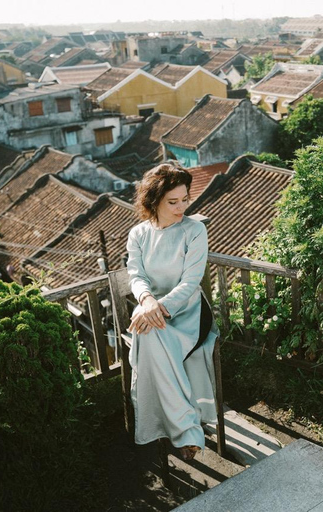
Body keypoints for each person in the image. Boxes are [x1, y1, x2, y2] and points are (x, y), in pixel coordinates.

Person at [125, 163, 218, 461]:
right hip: (153, 309)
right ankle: (186, 431)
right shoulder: (138, 234)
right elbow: (135, 274)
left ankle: (170, 429)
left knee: (147, 333)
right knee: (150, 334)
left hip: (189, 312)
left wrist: (156, 307)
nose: (181, 208)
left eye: (185, 200)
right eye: (173, 202)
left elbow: (191, 282)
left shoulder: (194, 230)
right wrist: (147, 301)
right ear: (154, 202)